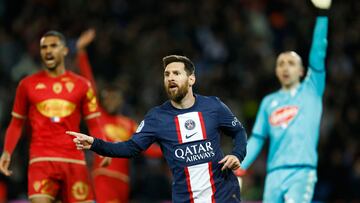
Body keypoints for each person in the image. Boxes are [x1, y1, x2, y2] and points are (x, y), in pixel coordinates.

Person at [68, 54, 248, 203]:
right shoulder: (157, 117)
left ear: (191, 79)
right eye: (166, 74)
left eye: (176, 73)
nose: (170, 77)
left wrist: (237, 154)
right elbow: (131, 148)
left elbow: (238, 131)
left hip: (224, 194)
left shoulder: (213, 106)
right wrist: (95, 144)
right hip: (186, 198)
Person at [235, 0, 331, 202]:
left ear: (302, 70)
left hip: (301, 172)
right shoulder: (269, 101)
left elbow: (318, 53)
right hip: (274, 174)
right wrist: (239, 167)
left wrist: (322, 15)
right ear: (277, 71)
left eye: (291, 63)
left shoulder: (311, 90)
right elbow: (257, 139)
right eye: (281, 64)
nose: (286, 67)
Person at [0, 30, 105, 203]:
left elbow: (94, 122)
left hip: (74, 160)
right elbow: (17, 123)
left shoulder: (82, 85)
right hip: (41, 160)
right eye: (44, 47)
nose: (48, 50)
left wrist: (102, 148)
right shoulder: (26, 85)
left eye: (53, 46)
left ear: (64, 50)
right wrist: (6, 152)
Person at [76, 29, 163, 203]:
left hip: (123, 182)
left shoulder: (129, 124)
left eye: (116, 97)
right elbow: (89, 83)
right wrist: (80, 51)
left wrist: (172, 150)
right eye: (108, 96)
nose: (112, 101)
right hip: (102, 176)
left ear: (122, 101)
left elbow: (147, 149)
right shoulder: (97, 115)